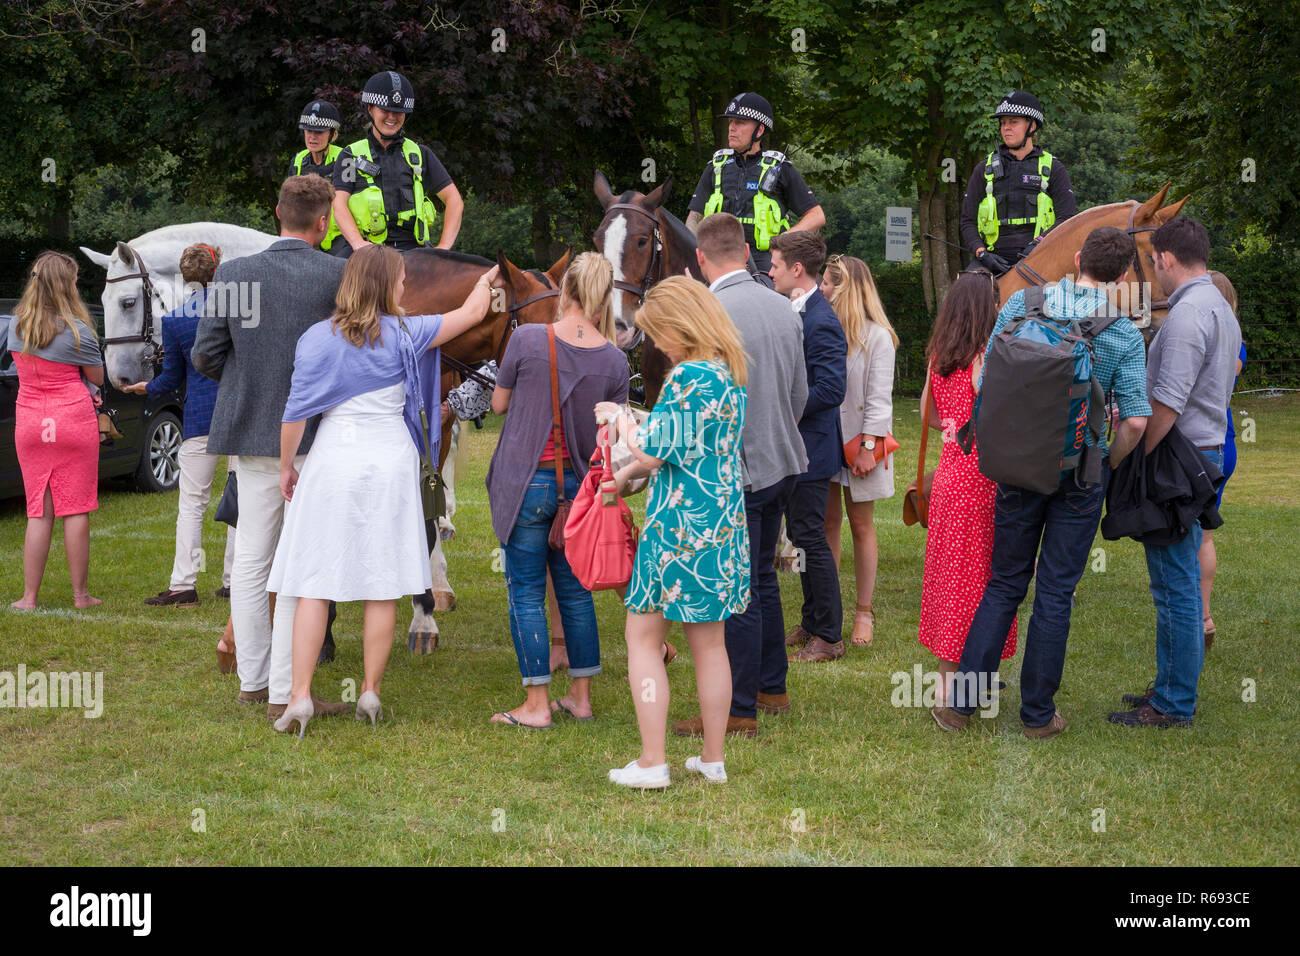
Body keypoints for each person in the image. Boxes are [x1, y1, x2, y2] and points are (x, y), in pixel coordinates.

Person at [268, 246, 500, 736]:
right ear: (383, 285)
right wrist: (492, 275)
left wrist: (287, 466)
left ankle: (300, 696)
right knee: (381, 583)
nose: (403, 288)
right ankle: (370, 692)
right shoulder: (408, 333)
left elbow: (295, 414)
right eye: (399, 280)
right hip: (390, 460)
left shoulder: (315, 339)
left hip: (334, 457)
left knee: (313, 582)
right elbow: (473, 313)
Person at [935, 226, 1150, 739]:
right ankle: (1037, 715)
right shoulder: (1121, 332)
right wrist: (1108, 459)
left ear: (1077, 259)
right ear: (1122, 275)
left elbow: (986, 381)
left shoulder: (1023, 305)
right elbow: (1137, 421)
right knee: (1055, 592)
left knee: (1005, 582)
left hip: (1016, 466)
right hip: (1079, 476)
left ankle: (960, 703)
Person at [192, 174, 350, 719]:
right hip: (316, 436)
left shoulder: (235, 273)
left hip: (251, 431)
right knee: (300, 565)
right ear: (324, 221)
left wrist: (247, 383)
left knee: (254, 562)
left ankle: (255, 680)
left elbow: (205, 355)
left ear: (278, 212)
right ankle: (283, 688)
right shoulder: (337, 273)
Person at [670, 212, 807, 740]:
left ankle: (740, 708)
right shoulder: (783, 305)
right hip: (782, 461)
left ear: (700, 259)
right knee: (762, 579)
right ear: (747, 249)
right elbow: (800, 394)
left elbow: (702, 400)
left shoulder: (711, 312)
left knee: (738, 590)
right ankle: (772, 686)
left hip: (739, 469)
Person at [609, 276, 750, 788]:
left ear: (679, 325)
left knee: (642, 640)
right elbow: (691, 446)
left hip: (678, 529)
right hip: (722, 523)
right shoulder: (729, 372)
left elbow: (651, 448)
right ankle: (712, 758)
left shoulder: (689, 376)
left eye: (657, 333)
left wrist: (621, 419)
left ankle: (652, 762)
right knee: (710, 647)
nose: (656, 344)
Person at [484, 252, 630, 729]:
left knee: (526, 592)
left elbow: (499, 404)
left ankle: (536, 704)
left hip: (527, 484)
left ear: (565, 289)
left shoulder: (528, 339)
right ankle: (581, 698)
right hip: (579, 492)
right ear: (605, 296)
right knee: (575, 594)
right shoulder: (614, 359)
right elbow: (614, 432)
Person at [1109, 218, 1241, 728]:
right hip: (1197, 452)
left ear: (1164, 259)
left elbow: (1166, 402)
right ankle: (1167, 689)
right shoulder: (1217, 307)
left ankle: (1172, 704)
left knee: (1174, 584)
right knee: (1176, 578)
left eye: (1154, 265)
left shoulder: (1188, 315)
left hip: (1176, 458)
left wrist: (1136, 456)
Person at [916, 273, 1017, 700]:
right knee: (982, 579)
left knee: (947, 577)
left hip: (948, 476)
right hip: (983, 479)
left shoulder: (940, 354)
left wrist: (955, 422)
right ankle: (977, 676)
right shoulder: (989, 358)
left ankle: (946, 679)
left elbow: (929, 414)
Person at [123, 243, 236, 609]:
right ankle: (236, 578)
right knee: (245, 498)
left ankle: (184, 584)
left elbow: (171, 377)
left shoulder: (174, 320)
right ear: (216, 270)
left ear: (186, 276)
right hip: (238, 414)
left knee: (192, 504)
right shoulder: (237, 310)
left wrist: (147, 386)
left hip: (201, 416)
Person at [767, 230, 848, 663]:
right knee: (800, 537)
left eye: (776, 264)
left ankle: (830, 637)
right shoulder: (796, 310)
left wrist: (784, 406)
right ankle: (812, 621)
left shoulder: (821, 319)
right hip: (796, 446)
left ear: (797, 270)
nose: (770, 270)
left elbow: (832, 389)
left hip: (811, 450)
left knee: (811, 540)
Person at [7, 251, 104, 610]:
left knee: (38, 510)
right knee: (76, 508)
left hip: (31, 421)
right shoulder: (79, 333)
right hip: (72, 420)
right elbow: (97, 379)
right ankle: (81, 596)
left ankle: (29, 597)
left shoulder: (16, 326)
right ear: (67, 286)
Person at [820, 255, 899, 646]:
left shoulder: (878, 336)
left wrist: (868, 446)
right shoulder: (826, 329)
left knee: (861, 525)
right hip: (826, 441)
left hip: (860, 443)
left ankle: (864, 612)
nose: (821, 290)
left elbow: (880, 399)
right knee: (827, 522)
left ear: (845, 288)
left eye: (827, 283)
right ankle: (828, 608)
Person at [685, 92, 825, 278]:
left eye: (740, 123)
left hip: (763, 260)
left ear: (759, 131)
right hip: (716, 257)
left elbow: (816, 216)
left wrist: (781, 241)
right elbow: (693, 218)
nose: (731, 128)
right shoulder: (716, 166)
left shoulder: (780, 168)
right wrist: (695, 248)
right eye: (730, 122)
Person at [331, 71, 463, 257]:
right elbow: (339, 202)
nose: (392, 117)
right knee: (334, 280)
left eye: (398, 112)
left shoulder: (421, 154)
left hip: (414, 251)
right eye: (385, 110)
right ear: (370, 109)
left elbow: (454, 200)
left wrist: (443, 248)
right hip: (366, 249)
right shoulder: (350, 156)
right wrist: (358, 243)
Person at [959, 91, 1076, 275]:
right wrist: (981, 253)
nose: (1006, 128)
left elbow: (1067, 217)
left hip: (1041, 255)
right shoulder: (984, 169)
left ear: (1032, 126)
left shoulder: (1054, 168)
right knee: (963, 294)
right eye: (1003, 122)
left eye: (1013, 122)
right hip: (992, 257)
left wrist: (1039, 243)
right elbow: (967, 221)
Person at [1199, 272, 1246, 649]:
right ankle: (1204, 616)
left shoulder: (1214, 342)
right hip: (1224, 438)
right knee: (1204, 533)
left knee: (1195, 535)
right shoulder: (1237, 345)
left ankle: (1198, 617)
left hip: (1206, 441)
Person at [289, 99, 345, 253]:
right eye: (308, 131)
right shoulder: (298, 160)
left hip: (341, 239)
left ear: (333, 134)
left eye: (319, 132)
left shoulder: (345, 158)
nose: (312, 137)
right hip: (306, 237)